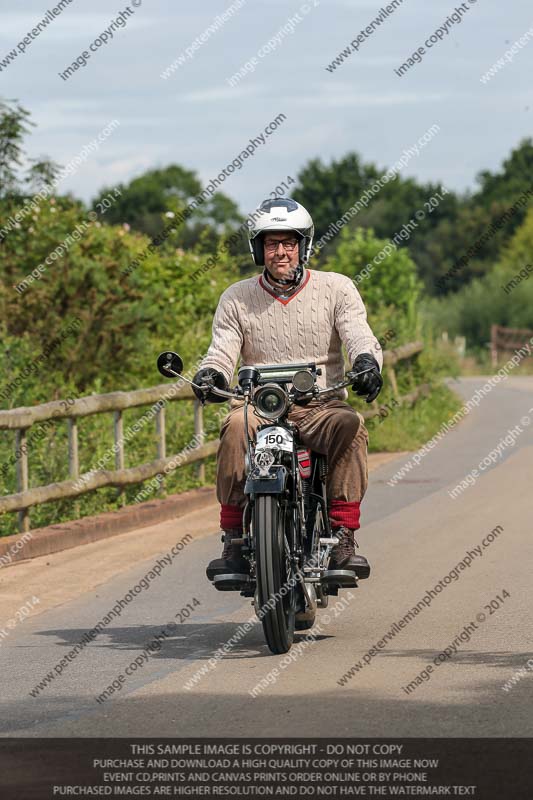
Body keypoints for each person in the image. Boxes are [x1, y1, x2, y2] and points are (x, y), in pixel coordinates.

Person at [192, 198, 383, 582]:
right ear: (257, 248)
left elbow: (358, 332)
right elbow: (223, 348)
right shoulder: (236, 297)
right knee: (233, 427)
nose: (280, 252)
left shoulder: (337, 288)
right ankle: (233, 539)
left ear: (304, 246)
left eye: (289, 242)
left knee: (352, 426)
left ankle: (343, 535)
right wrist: (211, 374)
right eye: (271, 243)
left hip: (321, 406)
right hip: (259, 405)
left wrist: (366, 361)